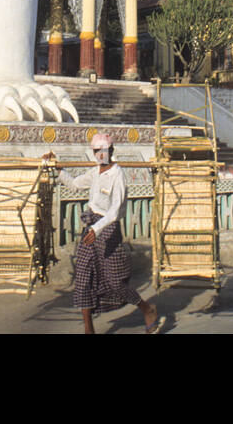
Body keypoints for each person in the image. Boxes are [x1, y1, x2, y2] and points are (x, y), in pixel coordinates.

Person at [63, 133, 160, 333]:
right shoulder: (94, 172)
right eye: (96, 152)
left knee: (115, 282)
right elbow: (74, 185)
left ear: (111, 151)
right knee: (84, 276)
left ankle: (147, 308)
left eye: (104, 151)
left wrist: (97, 230)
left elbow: (115, 211)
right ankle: (89, 329)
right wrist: (58, 170)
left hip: (107, 230)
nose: (100, 155)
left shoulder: (118, 175)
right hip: (90, 227)